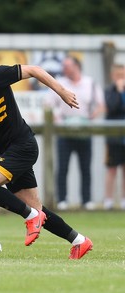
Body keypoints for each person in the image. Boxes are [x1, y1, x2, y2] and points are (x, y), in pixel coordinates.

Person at [0, 40, 93, 259]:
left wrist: (62, 91)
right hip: (6, 151)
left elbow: (35, 70)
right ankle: (79, 241)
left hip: (23, 145)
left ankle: (31, 217)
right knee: (37, 208)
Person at [46, 56, 105, 211]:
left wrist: (91, 117)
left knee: (85, 166)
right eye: (63, 66)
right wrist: (58, 119)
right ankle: (62, 200)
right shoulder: (60, 84)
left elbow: (101, 105)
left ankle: (87, 200)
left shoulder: (90, 83)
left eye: (67, 65)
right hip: (65, 129)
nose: (64, 68)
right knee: (63, 166)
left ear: (77, 66)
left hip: (85, 129)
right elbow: (49, 104)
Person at [103, 64, 125, 210]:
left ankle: (123, 200)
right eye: (118, 75)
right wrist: (119, 91)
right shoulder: (109, 91)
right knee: (112, 169)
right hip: (113, 137)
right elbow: (112, 108)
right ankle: (108, 200)